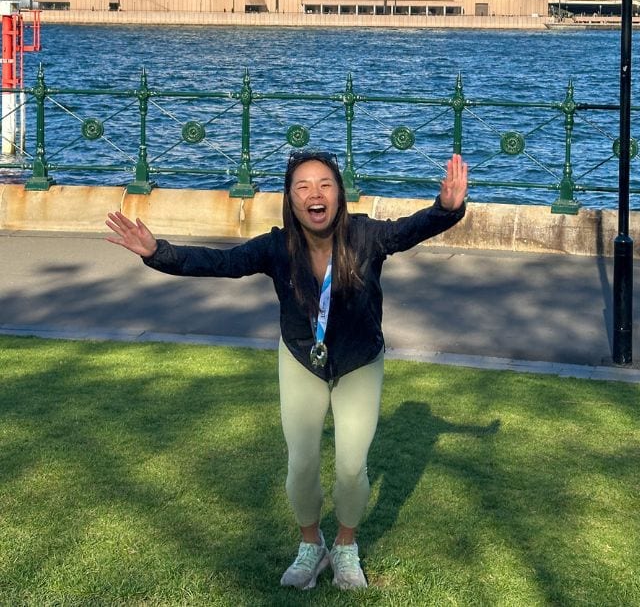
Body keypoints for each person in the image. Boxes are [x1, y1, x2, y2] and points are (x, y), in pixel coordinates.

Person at [105, 150, 468, 591]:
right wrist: (157, 252)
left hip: (359, 360)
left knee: (352, 467)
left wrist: (446, 209)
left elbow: (412, 230)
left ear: (339, 195)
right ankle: (311, 545)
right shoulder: (278, 247)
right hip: (301, 357)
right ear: (291, 199)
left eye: (325, 185)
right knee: (302, 463)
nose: (315, 194)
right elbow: (223, 264)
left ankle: (346, 547)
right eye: (303, 186)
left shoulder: (367, 236)